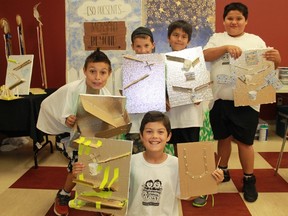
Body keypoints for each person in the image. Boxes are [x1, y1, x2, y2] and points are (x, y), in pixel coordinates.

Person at [73, 111, 224, 215]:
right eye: (149, 131)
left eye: (160, 132)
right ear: (141, 135)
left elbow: (187, 195)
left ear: (169, 136)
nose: (154, 137)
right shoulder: (128, 162)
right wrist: (84, 174)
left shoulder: (178, 164)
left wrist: (210, 182)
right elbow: (109, 193)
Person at [203, 2, 281, 203]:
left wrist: (278, 60)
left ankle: (248, 178)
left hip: (247, 100)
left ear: (246, 21)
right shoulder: (216, 38)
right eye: (230, 18)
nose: (234, 22)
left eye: (239, 18)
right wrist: (226, 48)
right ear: (223, 20)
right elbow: (204, 56)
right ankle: (223, 170)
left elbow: (268, 68)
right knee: (223, 138)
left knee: (245, 143)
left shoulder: (256, 40)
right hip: (220, 100)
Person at [37, 49, 112, 216]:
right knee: (77, 165)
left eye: (102, 72)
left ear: (109, 74)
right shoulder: (73, 89)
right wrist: (67, 119)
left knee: (97, 162)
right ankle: (63, 194)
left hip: (89, 133)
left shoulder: (106, 94)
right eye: (92, 71)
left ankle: (97, 196)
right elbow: (61, 110)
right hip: (68, 132)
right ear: (84, 71)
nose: (97, 77)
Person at [166, 20, 204, 156]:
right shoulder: (161, 60)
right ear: (168, 38)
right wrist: (163, 99)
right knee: (177, 150)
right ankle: (178, 177)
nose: (179, 39)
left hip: (190, 115)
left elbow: (201, 88)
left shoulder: (196, 60)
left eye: (184, 36)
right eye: (175, 35)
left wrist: (199, 95)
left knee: (190, 152)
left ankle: (189, 177)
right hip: (172, 115)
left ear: (188, 40)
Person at [119, 26, 156, 153]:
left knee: (153, 157)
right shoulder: (126, 67)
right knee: (135, 160)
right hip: (134, 125)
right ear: (133, 47)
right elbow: (121, 93)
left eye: (146, 45)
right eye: (138, 46)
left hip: (154, 125)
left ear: (152, 45)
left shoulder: (159, 66)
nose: (142, 50)